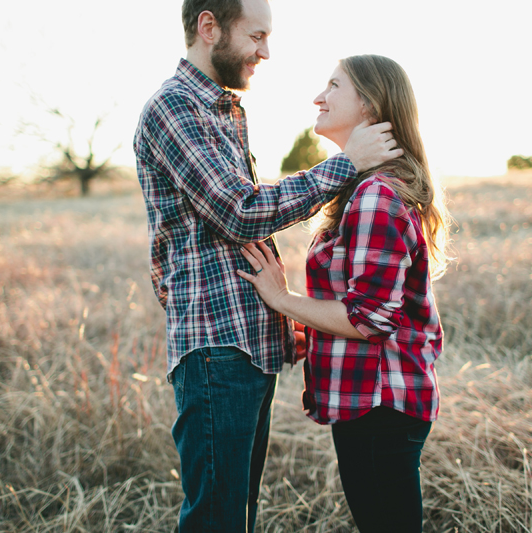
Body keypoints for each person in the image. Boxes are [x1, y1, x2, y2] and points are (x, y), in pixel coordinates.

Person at [133, 0, 402, 530]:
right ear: (209, 27)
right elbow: (239, 212)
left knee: (238, 514)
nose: (266, 51)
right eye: (256, 35)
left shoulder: (222, 109)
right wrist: (347, 164)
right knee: (218, 519)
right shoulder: (177, 108)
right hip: (217, 348)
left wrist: (280, 321)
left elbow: (220, 238)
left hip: (243, 344)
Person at [237, 54, 452, 533]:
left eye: (334, 86)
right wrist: (305, 333)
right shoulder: (362, 190)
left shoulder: (376, 195)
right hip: (373, 401)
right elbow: (365, 304)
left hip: (380, 402)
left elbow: (370, 319)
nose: (319, 97)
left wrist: (283, 298)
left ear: (371, 109)